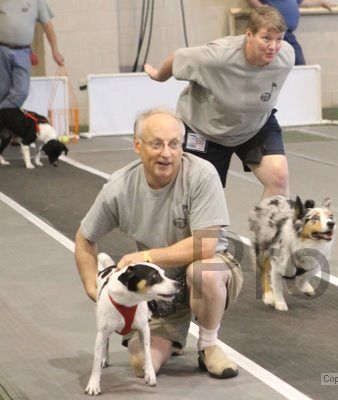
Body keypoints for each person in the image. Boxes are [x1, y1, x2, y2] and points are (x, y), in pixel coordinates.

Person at [75, 109, 243, 379]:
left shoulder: (202, 175)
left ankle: (208, 345)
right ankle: (171, 338)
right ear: (137, 145)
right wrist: (93, 289)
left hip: (208, 267)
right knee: (142, 364)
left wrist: (147, 256)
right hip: (160, 287)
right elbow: (85, 239)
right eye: (157, 144)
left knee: (203, 272)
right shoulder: (118, 187)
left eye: (174, 144)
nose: (167, 153)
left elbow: (205, 246)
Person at [144, 6, 294, 199]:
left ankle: (269, 230)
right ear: (249, 35)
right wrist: (158, 76)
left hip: (255, 126)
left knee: (279, 179)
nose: (273, 46)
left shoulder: (286, 56)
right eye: (266, 38)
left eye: (279, 39)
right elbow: (178, 57)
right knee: (200, 196)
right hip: (206, 131)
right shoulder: (217, 57)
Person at [0, 0, 64, 109]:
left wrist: (55, 50)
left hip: (23, 53)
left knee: (22, 92)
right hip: (1, 50)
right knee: (2, 90)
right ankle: (5, 122)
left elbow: (48, 26)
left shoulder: (37, 2)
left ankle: (3, 117)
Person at [246, 0, 336, 65]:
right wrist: (264, 11)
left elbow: (302, 2)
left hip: (286, 34)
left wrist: (320, 3)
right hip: (273, 33)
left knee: (299, 64)